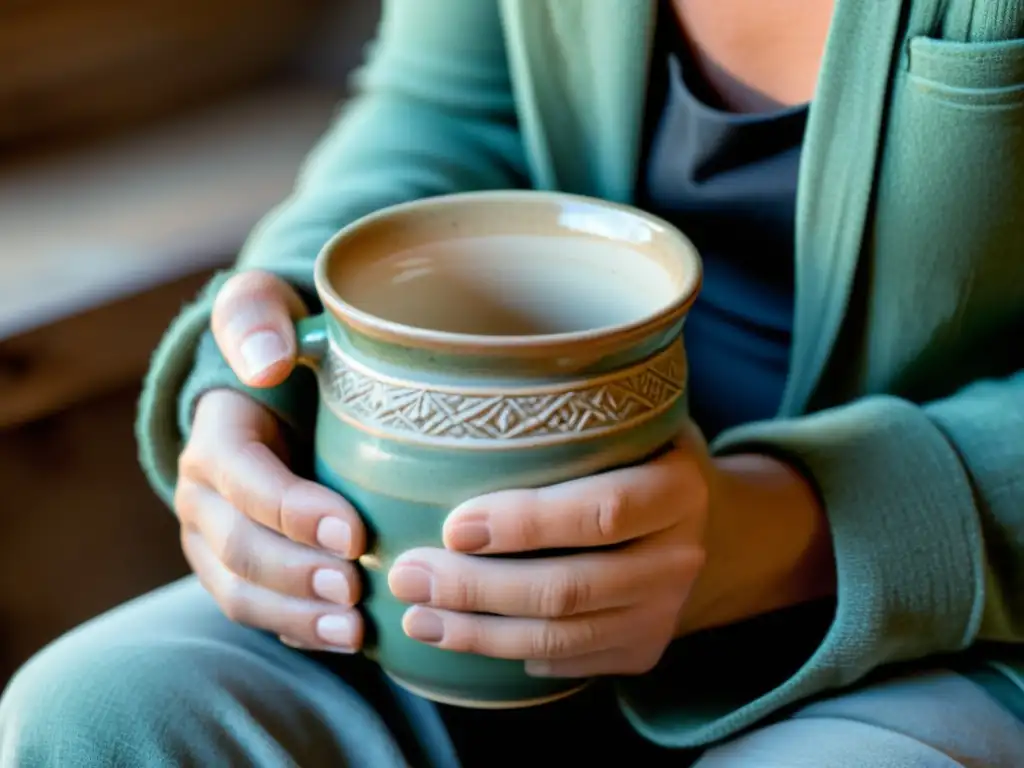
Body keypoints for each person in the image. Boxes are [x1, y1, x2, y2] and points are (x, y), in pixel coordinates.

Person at [3, 0, 1024, 765]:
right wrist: (263, 357)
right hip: (479, 584)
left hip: (964, 619)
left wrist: (788, 529)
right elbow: (444, 113)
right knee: (94, 713)